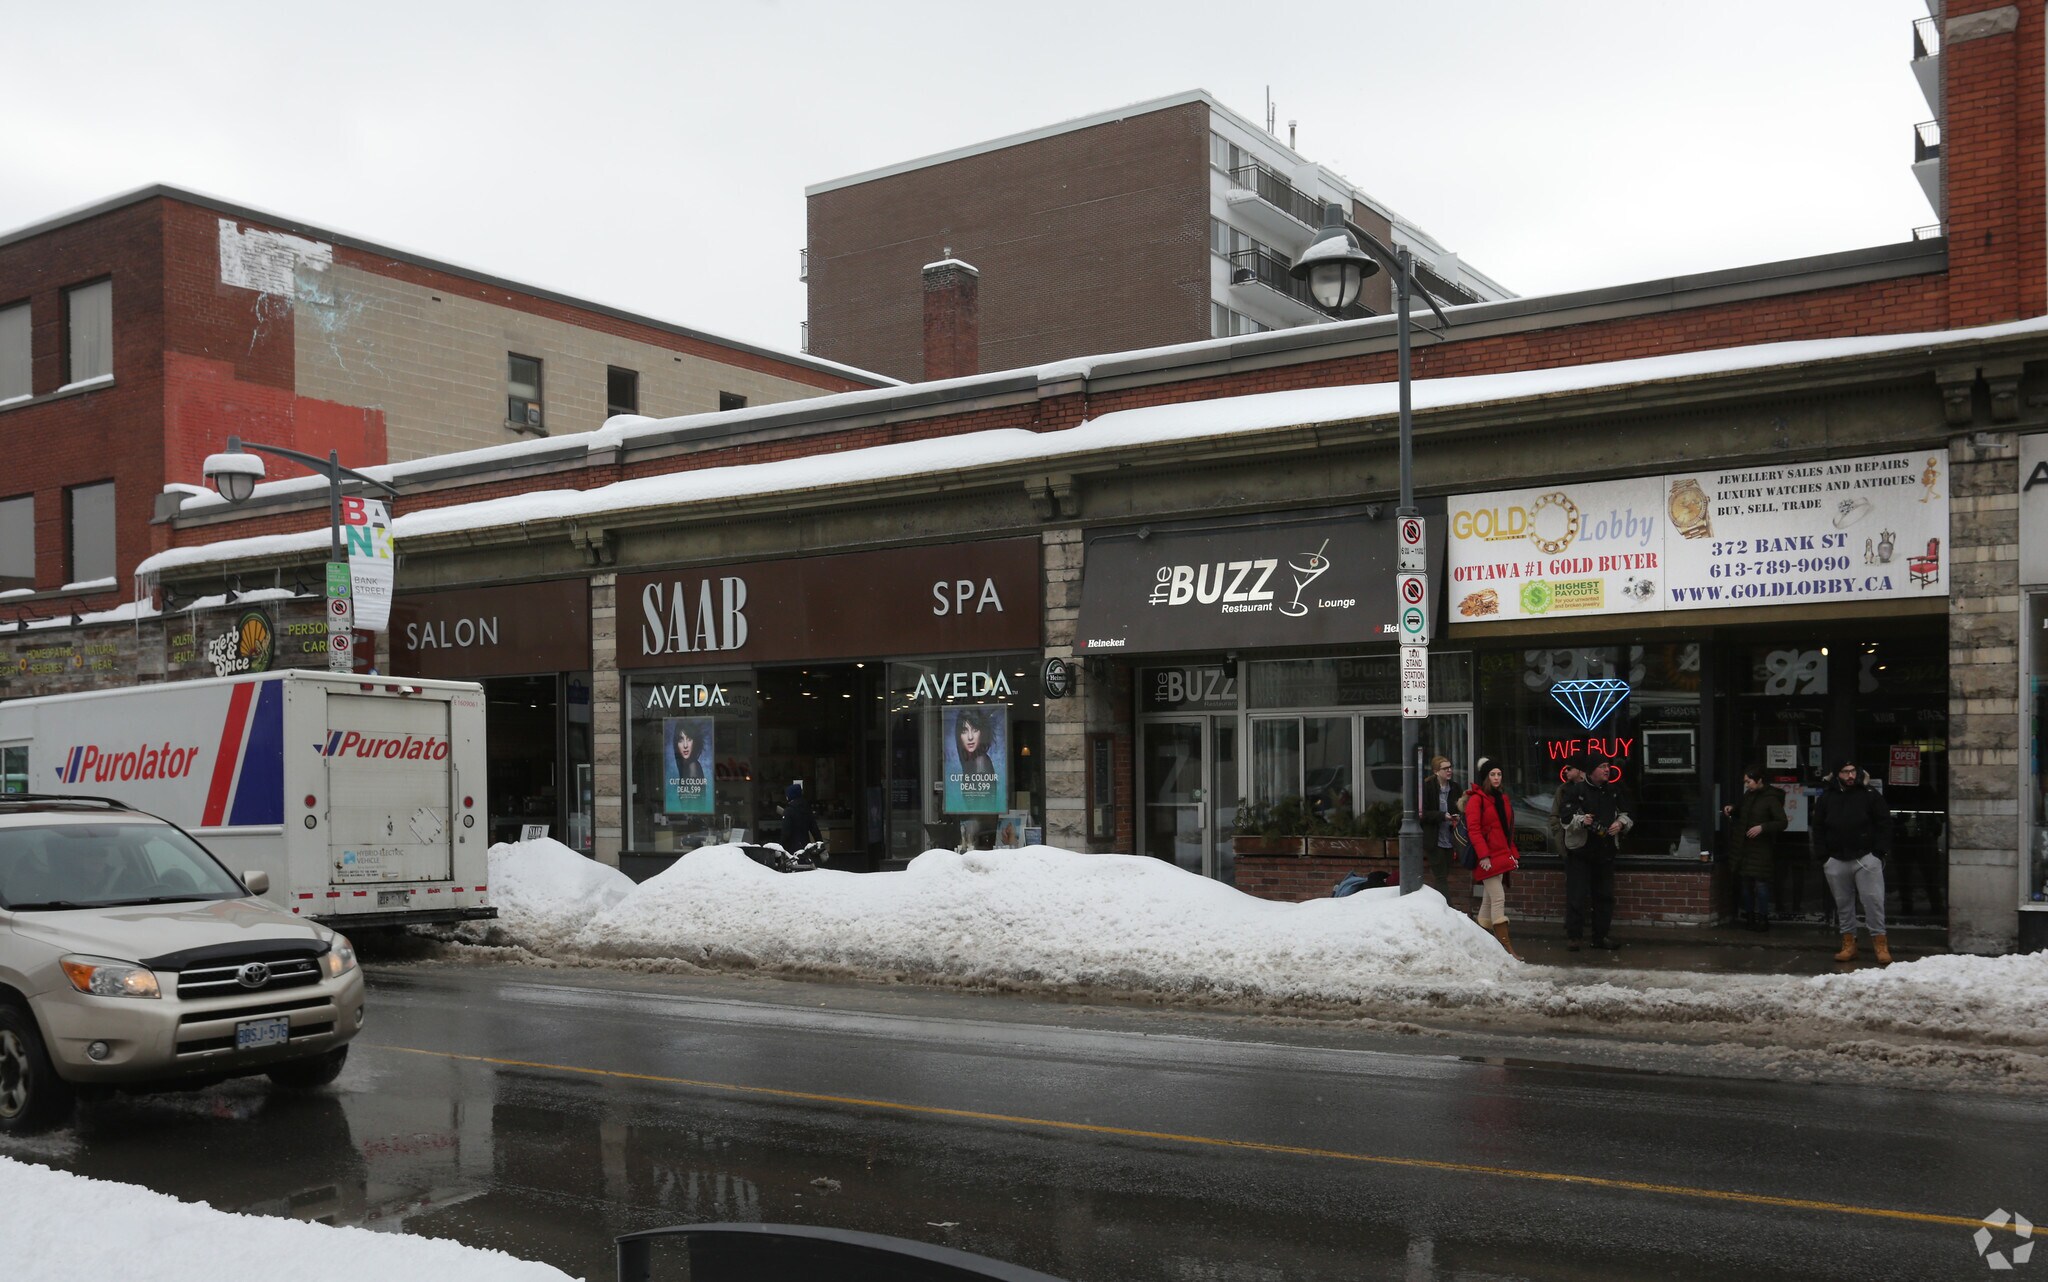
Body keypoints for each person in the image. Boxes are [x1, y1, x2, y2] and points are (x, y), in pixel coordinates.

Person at [1809, 759, 1892, 964]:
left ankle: (1880, 944)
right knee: (1843, 904)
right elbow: (1817, 827)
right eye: (1845, 772)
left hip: (1866, 857)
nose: (1850, 776)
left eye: (1853, 771)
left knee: (1873, 901)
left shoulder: (1870, 795)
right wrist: (1824, 857)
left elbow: (1884, 823)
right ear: (1837, 774)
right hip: (1836, 859)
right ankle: (1848, 944)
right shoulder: (1827, 798)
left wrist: (1879, 852)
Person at [1560, 758, 1631, 951]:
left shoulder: (1614, 791)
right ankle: (1574, 937)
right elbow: (1564, 818)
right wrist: (1583, 821)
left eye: (1608, 766)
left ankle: (1601, 936)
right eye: (1602, 766)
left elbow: (1627, 813)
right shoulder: (1576, 791)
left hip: (1606, 851)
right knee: (1577, 895)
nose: (1607, 770)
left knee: (1604, 896)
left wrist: (1621, 824)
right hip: (1581, 852)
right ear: (1592, 771)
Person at [1463, 756, 1520, 959]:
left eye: (1499, 774)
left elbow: (1508, 830)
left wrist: (1513, 853)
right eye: (1492, 774)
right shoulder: (1476, 800)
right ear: (1485, 777)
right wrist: (1484, 856)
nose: (1496, 778)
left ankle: (1482, 945)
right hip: (1486, 858)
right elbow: (1474, 830)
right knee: (1498, 898)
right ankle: (1506, 949)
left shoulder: (1502, 799)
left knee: (1488, 901)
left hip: (1500, 855)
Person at [1723, 765, 1787, 931]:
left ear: (1759, 781)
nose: (1746, 785)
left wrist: (1762, 827)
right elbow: (1744, 813)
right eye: (1745, 781)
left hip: (1761, 848)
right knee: (1745, 884)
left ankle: (1763, 918)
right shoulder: (1748, 796)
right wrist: (1733, 809)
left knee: (1761, 885)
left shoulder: (1771, 798)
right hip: (1744, 847)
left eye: (1749, 781)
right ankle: (1749, 916)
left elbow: (1782, 822)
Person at [1418, 755, 1462, 895]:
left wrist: (1457, 816)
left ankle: (1438, 909)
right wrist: (1442, 816)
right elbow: (1421, 813)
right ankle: (1448, 908)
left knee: (1444, 874)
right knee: (1440, 876)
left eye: (1450, 767)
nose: (1449, 771)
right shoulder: (1427, 787)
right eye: (1445, 768)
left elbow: (1461, 808)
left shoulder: (1455, 788)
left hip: (1450, 838)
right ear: (1436, 771)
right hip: (1434, 839)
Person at [1547, 755, 1587, 857]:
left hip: (1590, 845)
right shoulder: (1563, 789)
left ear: (1579, 770)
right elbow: (1555, 816)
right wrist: (1561, 845)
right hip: (1570, 845)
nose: (1565, 771)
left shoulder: (1592, 787)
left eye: (1569, 769)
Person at [781, 781, 822, 853]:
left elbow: (786, 833)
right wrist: (820, 843)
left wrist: (782, 848)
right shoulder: (807, 809)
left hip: (792, 848)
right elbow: (814, 829)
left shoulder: (789, 811)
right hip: (806, 846)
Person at [954, 709, 995, 778]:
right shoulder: (969, 759)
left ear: (982, 732)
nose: (970, 737)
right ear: (959, 734)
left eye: (975, 730)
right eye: (964, 731)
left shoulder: (981, 761)